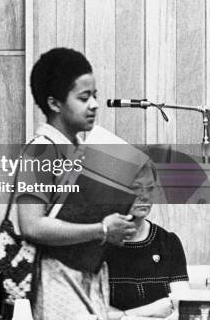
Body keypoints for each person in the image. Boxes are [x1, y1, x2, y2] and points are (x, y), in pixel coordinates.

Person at [17, 48, 136, 320]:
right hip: (54, 279)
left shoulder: (82, 149)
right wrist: (101, 229)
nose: (94, 104)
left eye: (94, 96)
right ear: (55, 104)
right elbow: (32, 225)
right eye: (84, 98)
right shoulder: (40, 151)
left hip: (90, 277)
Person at [105, 164, 189, 320]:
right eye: (136, 188)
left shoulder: (168, 242)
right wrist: (131, 315)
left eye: (150, 189)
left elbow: (180, 304)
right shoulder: (99, 241)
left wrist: (119, 316)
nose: (144, 196)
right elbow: (93, 310)